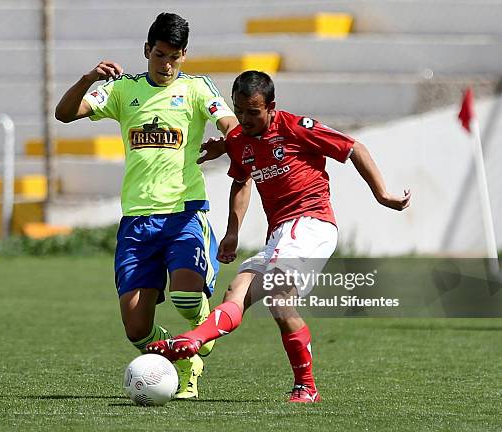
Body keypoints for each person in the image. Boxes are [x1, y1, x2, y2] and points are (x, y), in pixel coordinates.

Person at [147, 70, 411, 402]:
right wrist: (231, 233)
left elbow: (354, 148)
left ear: (271, 107)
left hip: (310, 222)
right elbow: (241, 181)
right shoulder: (239, 139)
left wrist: (382, 194)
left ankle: (306, 386)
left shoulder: (297, 127)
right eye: (239, 111)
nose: (245, 119)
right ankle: (193, 340)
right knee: (237, 290)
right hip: (280, 234)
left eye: (253, 112)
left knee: (278, 294)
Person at [55, 12, 238, 399]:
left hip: (185, 212)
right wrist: (89, 79)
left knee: (188, 298)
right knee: (136, 328)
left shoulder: (197, 88)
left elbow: (229, 123)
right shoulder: (123, 90)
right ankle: (178, 354)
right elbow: (65, 113)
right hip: (137, 221)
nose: (166, 64)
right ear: (146, 51)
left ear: (184, 55)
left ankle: (198, 344)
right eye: (159, 55)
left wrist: (230, 140)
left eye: (174, 56)